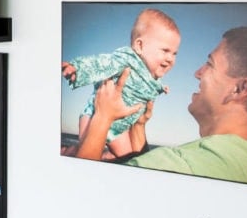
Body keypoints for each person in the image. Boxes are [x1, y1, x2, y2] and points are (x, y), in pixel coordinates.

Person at [75, 27, 247, 186]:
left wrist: (103, 117)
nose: (198, 72)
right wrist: (139, 125)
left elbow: (80, 190)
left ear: (239, 89)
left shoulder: (179, 165)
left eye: (209, 64)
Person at [61, 9, 181, 159]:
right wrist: (78, 68)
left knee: (129, 158)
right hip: (95, 115)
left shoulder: (154, 78)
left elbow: (150, 88)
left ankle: (106, 155)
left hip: (120, 130)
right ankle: (69, 151)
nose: (170, 58)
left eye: (174, 53)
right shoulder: (126, 59)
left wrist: (161, 89)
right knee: (85, 154)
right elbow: (101, 64)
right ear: (140, 46)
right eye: (165, 50)